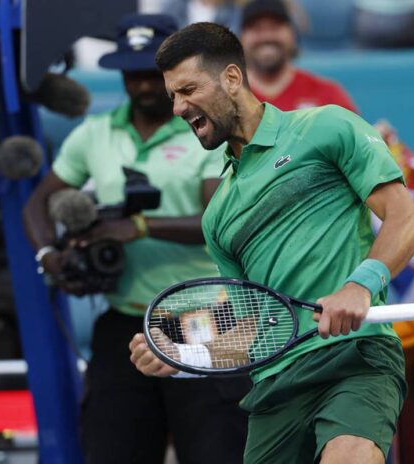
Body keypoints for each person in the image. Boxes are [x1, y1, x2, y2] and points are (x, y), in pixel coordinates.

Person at [129, 22, 414, 463]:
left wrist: (359, 286)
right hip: (277, 386)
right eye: (173, 95)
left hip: (356, 357)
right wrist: (183, 356)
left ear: (232, 78)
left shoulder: (326, 126)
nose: (178, 107)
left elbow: (406, 219)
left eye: (188, 90)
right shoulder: (218, 215)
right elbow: (255, 328)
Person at [23, 14, 252, 464]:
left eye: (151, 74)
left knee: (217, 451)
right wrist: (50, 255)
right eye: (131, 75)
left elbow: (219, 219)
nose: (144, 86)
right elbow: (37, 203)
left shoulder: (207, 130)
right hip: (127, 321)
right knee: (112, 450)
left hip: (205, 317)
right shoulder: (96, 133)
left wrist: (141, 227)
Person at [238, 0, 359, 113]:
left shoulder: (328, 95)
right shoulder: (229, 96)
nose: (267, 36)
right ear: (241, 37)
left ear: (292, 34)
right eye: (257, 29)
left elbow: (354, 128)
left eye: (275, 27)